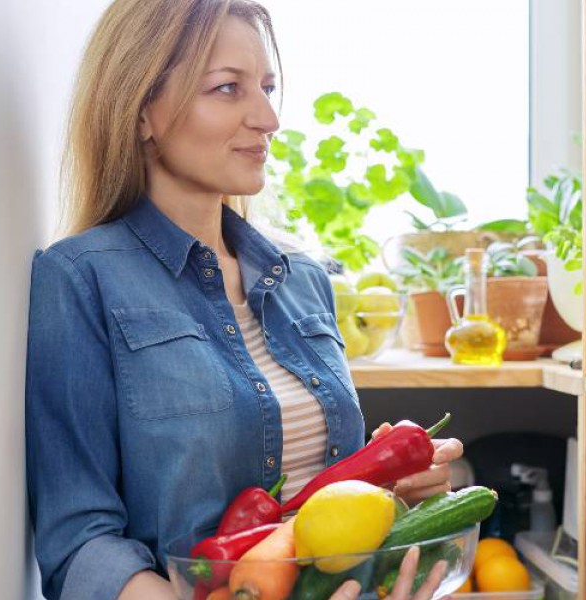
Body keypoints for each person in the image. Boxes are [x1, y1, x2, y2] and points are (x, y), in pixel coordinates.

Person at [26, 1, 465, 599]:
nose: (267, 117)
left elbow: (317, 505)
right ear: (141, 112)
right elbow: (79, 543)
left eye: (266, 87)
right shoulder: (81, 280)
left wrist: (390, 493)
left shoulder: (303, 279)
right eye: (228, 88)